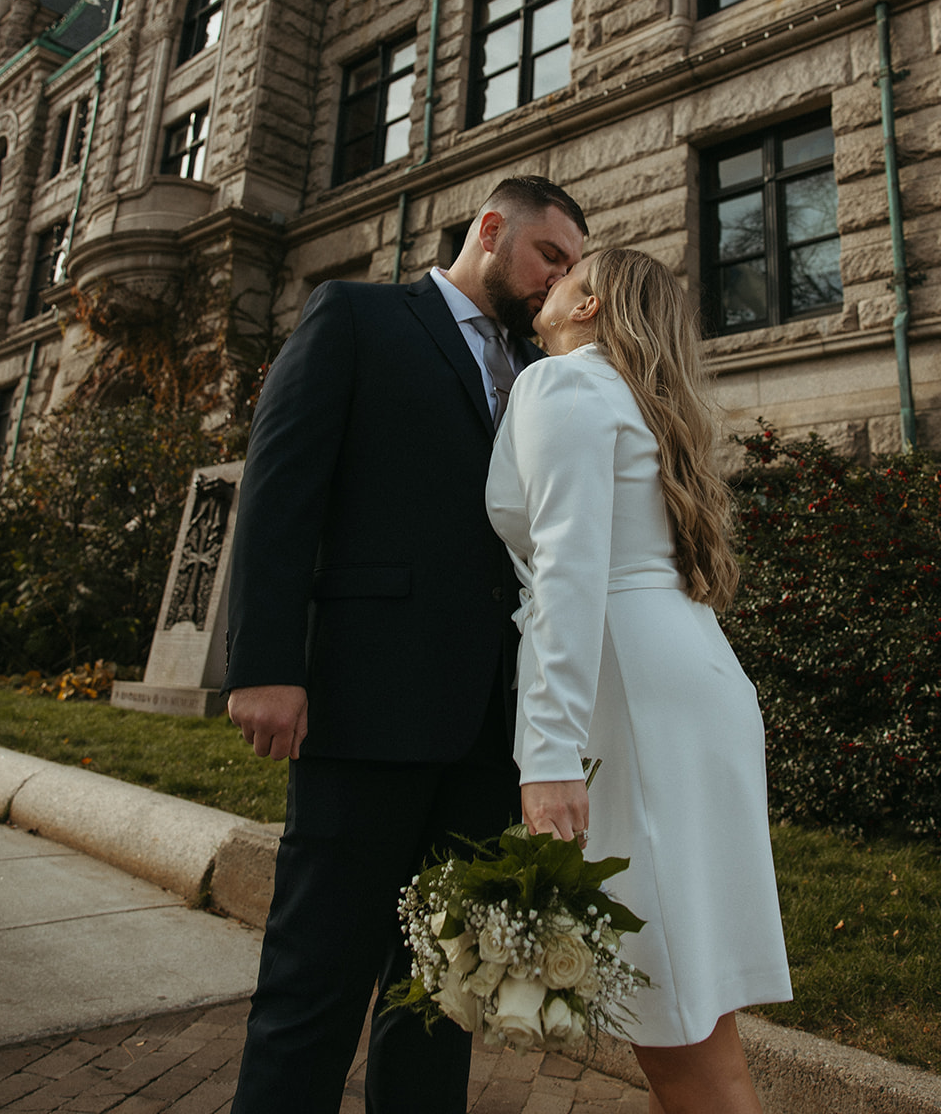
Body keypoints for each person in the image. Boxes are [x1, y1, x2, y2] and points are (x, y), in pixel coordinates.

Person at [222, 175, 587, 1114]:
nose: (558, 280)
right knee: (318, 975)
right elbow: (279, 490)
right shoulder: (355, 317)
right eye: (551, 255)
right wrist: (266, 665)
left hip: (488, 725)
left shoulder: (537, 367)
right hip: (366, 703)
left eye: (572, 268)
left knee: (439, 985)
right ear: (491, 229)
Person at [486, 247, 792, 1114]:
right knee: (691, 994)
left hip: (631, 697)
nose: (546, 287)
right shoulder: (640, 402)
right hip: (686, 675)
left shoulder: (566, 387)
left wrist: (544, 758)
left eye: (566, 277)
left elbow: (567, 575)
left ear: (588, 308)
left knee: (675, 1018)